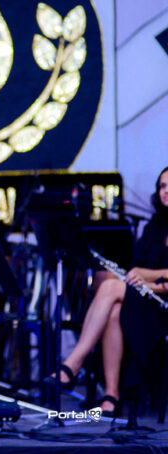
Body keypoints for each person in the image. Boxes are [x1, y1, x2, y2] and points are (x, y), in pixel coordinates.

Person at [45, 166, 168, 416]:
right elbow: (135, 267)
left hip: (163, 307)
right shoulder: (154, 227)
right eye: (162, 186)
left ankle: (73, 363)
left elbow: (142, 272)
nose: (166, 191)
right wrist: (139, 277)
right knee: (113, 311)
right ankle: (111, 395)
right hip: (147, 303)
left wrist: (146, 279)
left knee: (111, 287)